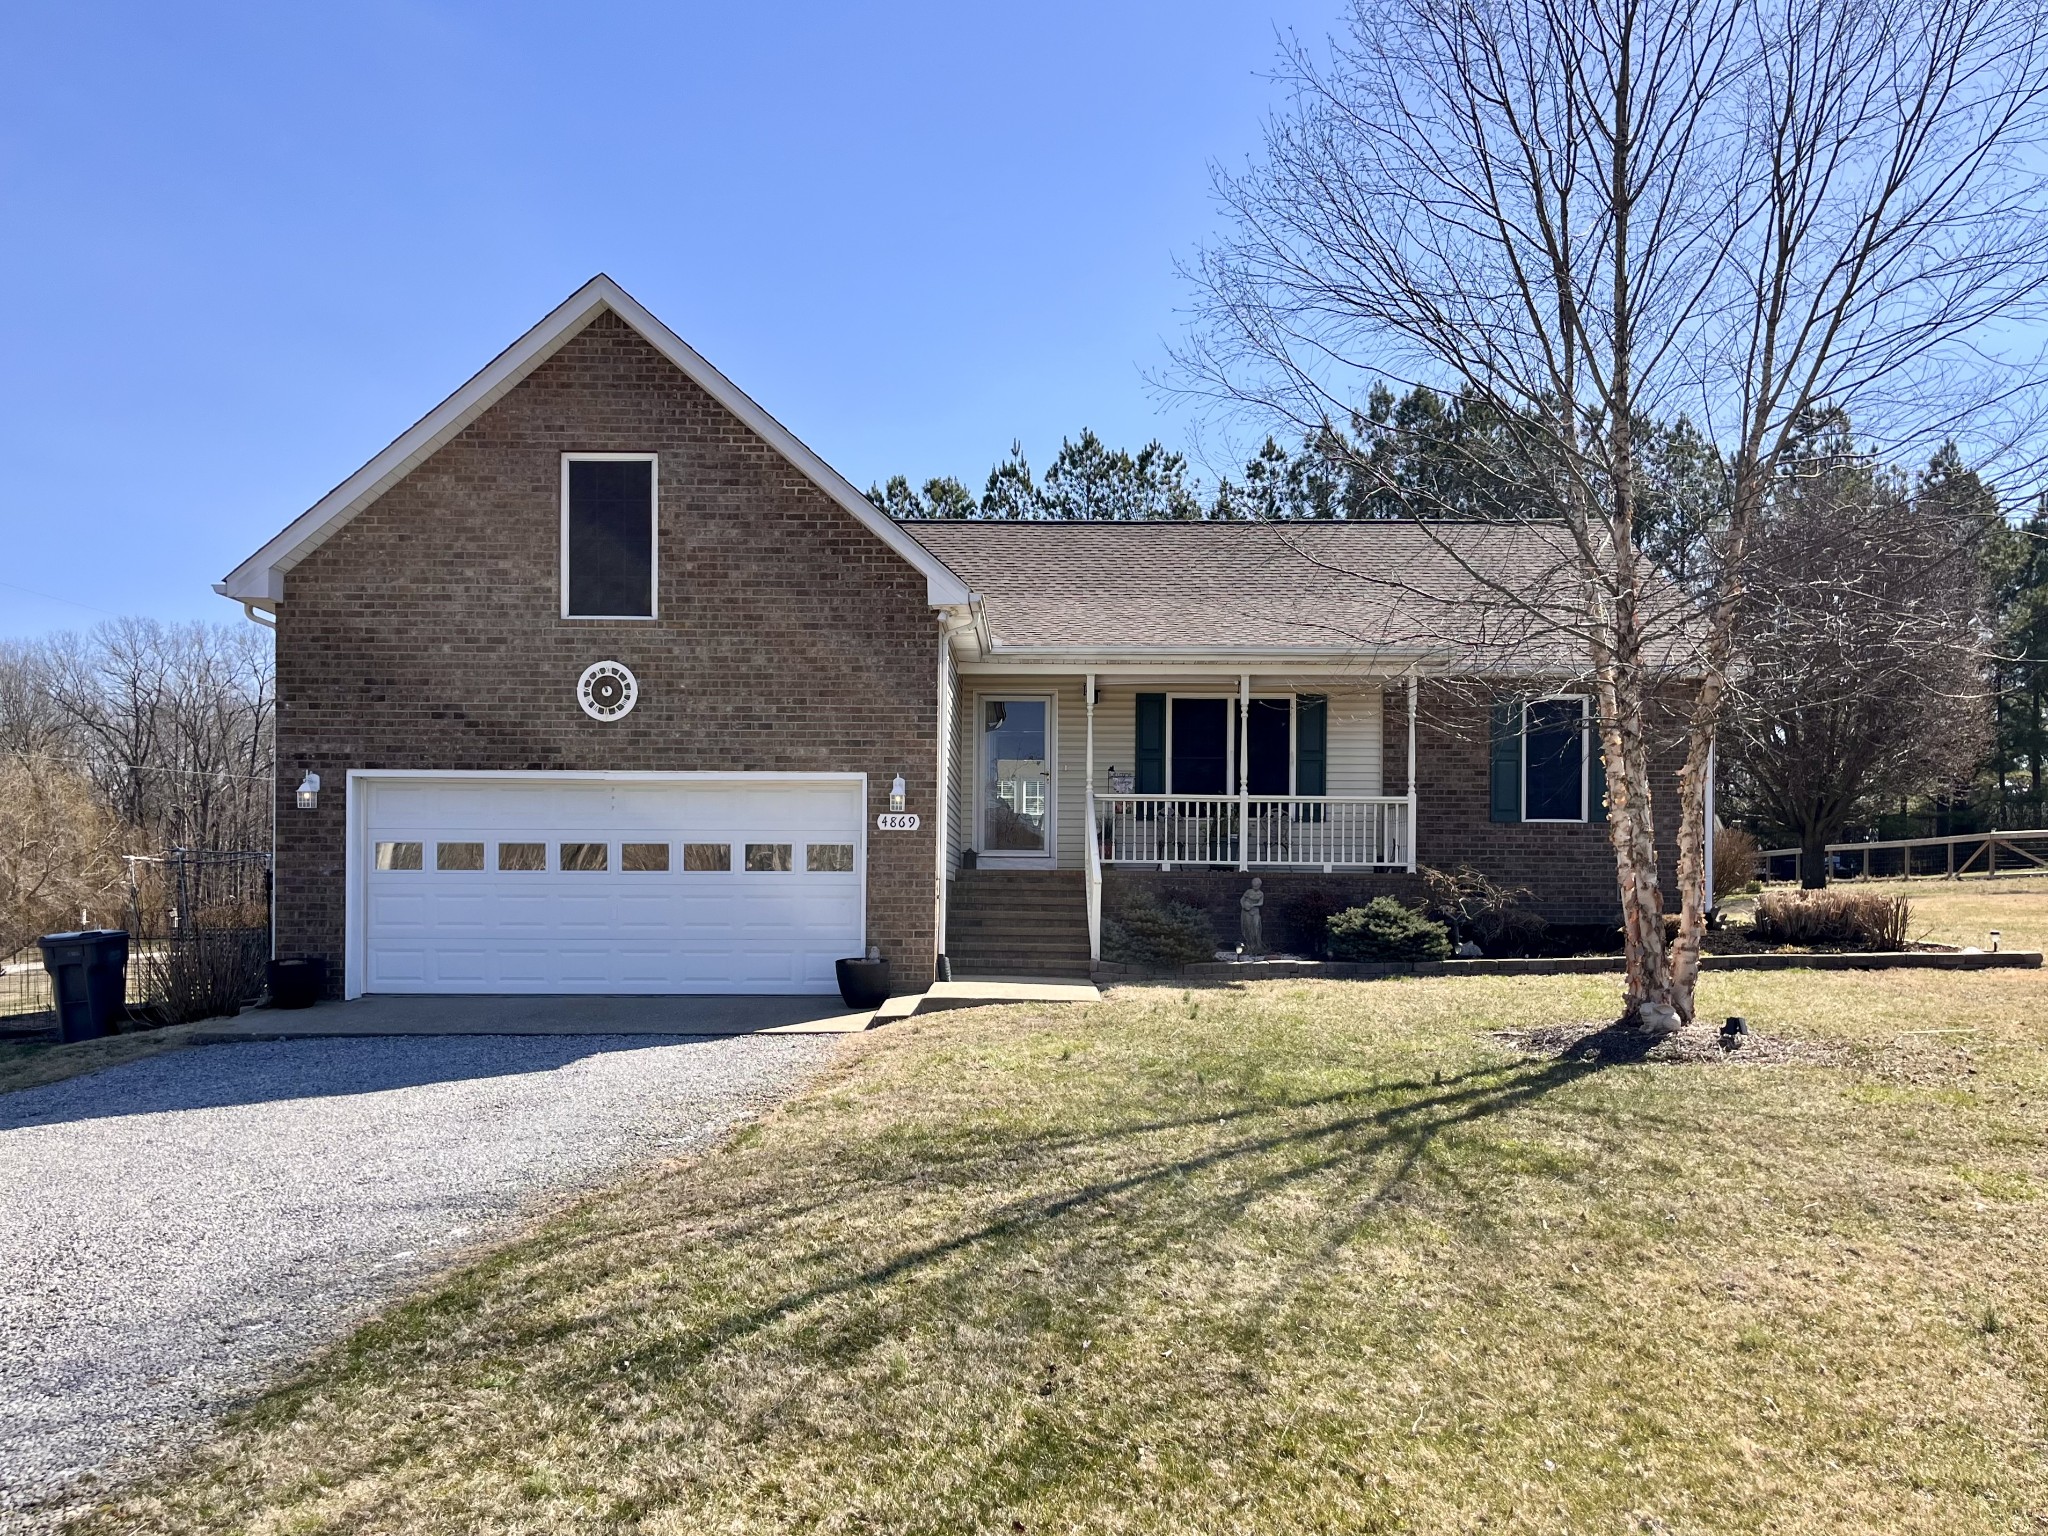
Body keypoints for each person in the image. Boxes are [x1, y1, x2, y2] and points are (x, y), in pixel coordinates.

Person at [1239, 877, 1265, 958]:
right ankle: (1249, 945)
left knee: (1256, 927)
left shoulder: (1261, 894)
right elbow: (1242, 899)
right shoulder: (1248, 892)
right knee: (1248, 927)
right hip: (1246, 912)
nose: (1255, 888)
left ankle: (1257, 946)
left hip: (1255, 911)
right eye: (1254, 886)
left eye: (1256, 886)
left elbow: (1261, 903)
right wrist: (1244, 905)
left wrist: (1253, 905)